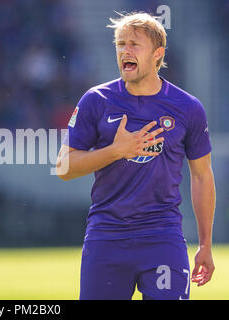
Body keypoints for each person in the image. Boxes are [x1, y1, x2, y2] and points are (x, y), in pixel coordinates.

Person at [56, 12, 216, 300]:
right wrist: (116, 151)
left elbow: (202, 175)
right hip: (106, 237)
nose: (124, 51)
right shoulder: (96, 100)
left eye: (134, 44)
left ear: (158, 54)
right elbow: (64, 167)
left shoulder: (188, 107)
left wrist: (205, 243)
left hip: (162, 238)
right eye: (120, 44)